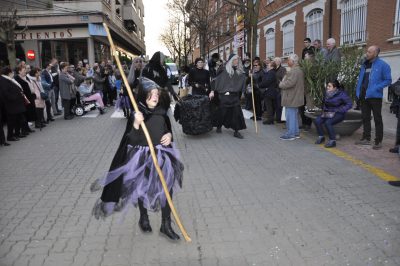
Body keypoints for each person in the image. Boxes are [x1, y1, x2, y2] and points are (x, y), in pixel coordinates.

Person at [90, 77, 184, 241]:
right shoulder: (137, 113)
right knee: (142, 188)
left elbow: (167, 129)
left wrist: (169, 135)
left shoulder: (162, 111)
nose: (155, 97)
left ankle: (166, 225)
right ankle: (144, 217)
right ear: (142, 96)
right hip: (142, 157)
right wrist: (136, 124)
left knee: (166, 189)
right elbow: (130, 140)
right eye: (151, 94)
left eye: (156, 94)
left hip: (162, 156)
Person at [355, 45, 392, 150]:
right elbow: (361, 80)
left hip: (375, 96)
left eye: (369, 52)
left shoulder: (383, 65)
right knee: (365, 117)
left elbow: (388, 80)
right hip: (363, 96)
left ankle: (378, 141)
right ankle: (366, 138)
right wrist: (358, 92)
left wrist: (375, 88)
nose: (367, 53)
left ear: (375, 53)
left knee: (377, 118)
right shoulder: (364, 65)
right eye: (367, 51)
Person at [211, 54, 247, 139]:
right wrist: (212, 91)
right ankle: (219, 125)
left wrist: (250, 75)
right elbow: (215, 81)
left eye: (237, 60)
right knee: (222, 112)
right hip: (224, 96)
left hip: (234, 96)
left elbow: (243, 80)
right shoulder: (223, 70)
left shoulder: (240, 71)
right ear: (230, 61)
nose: (236, 62)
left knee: (236, 113)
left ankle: (236, 131)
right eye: (234, 60)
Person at [314, 80, 353, 148]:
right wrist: (324, 109)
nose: (327, 87)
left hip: (339, 113)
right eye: (327, 86)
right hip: (328, 112)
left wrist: (340, 110)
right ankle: (321, 137)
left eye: (329, 86)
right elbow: (324, 103)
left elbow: (349, 104)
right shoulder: (326, 93)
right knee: (317, 120)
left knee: (328, 122)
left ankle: (332, 141)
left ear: (335, 88)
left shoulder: (342, 94)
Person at [279, 54, 304, 140]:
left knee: (290, 116)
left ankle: (290, 134)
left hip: (291, 97)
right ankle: (295, 133)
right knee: (294, 116)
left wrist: (281, 84)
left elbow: (290, 83)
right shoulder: (298, 70)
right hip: (295, 96)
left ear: (293, 62)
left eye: (288, 60)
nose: (287, 62)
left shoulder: (294, 71)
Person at [0, 66, 26, 141]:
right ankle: (10, 136)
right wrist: (15, 96)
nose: (13, 73)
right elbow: (5, 93)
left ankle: (16, 134)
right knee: (11, 121)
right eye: (12, 72)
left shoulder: (7, 79)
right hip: (10, 104)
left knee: (16, 120)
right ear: (9, 73)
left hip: (14, 104)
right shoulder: (3, 80)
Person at [14, 64, 36, 134]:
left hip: (29, 97)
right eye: (24, 70)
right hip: (24, 99)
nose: (25, 71)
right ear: (19, 71)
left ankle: (27, 128)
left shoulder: (25, 77)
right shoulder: (17, 79)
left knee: (28, 114)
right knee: (24, 115)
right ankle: (24, 130)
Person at [273, 57, 287, 123]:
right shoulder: (274, 69)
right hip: (274, 88)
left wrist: (279, 82)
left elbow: (283, 78)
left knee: (279, 104)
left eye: (275, 61)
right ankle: (277, 117)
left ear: (279, 62)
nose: (274, 62)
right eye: (274, 61)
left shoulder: (283, 69)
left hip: (280, 89)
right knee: (276, 104)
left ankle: (281, 119)